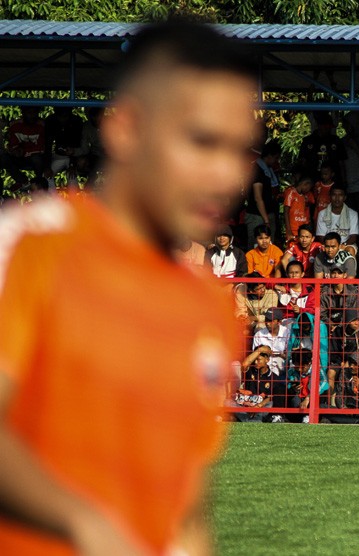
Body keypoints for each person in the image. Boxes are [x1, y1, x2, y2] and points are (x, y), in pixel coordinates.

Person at [0, 22, 259, 554]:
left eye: (241, 151)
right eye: (203, 141)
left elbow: (185, 509)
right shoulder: (29, 246)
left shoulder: (209, 305)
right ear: (126, 129)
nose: (226, 175)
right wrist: (82, 522)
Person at [245, 141, 281, 249]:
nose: (277, 161)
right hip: (257, 215)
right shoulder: (257, 170)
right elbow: (258, 197)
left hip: (268, 212)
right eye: (276, 157)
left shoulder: (269, 170)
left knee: (269, 247)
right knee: (256, 246)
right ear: (269, 155)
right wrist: (266, 220)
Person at [228, 346, 278, 423]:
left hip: (260, 406)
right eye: (255, 360)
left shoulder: (273, 376)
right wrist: (259, 350)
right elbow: (244, 364)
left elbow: (270, 397)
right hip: (246, 404)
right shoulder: (250, 370)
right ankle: (253, 420)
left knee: (270, 403)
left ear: (267, 360)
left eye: (258, 360)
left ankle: (247, 419)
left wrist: (258, 406)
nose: (255, 362)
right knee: (228, 402)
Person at [283, 175, 315, 244]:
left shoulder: (305, 196)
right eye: (309, 188)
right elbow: (286, 211)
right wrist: (288, 231)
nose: (308, 190)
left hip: (302, 229)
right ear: (305, 184)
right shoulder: (291, 193)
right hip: (293, 229)